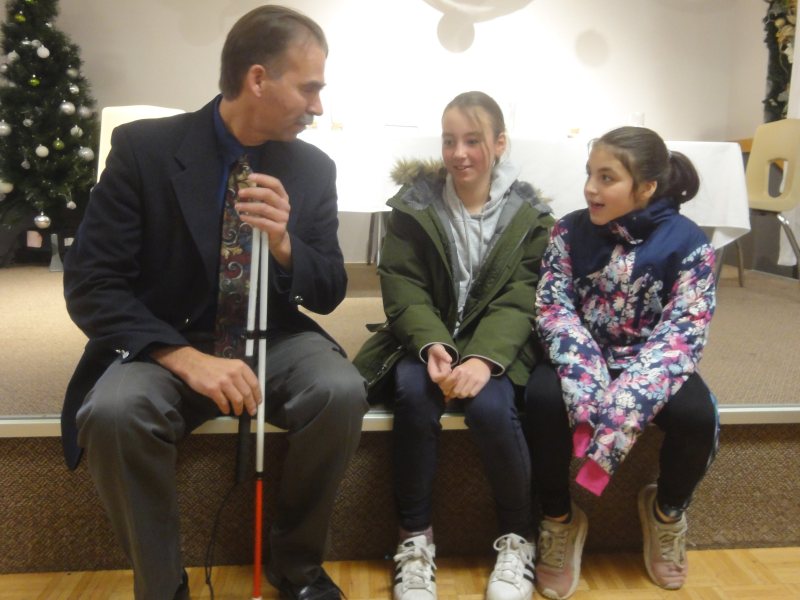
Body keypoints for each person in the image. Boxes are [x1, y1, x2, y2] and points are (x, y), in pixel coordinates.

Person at [61, 6, 368, 600]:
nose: (318, 106)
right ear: (258, 79)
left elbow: (329, 289)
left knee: (340, 390)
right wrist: (183, 356)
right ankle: (162, 587)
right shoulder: (145, 150)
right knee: (113, 413)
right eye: (310, 87)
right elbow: (92, 283)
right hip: (168, 342)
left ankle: (297, 566)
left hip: (276, 338)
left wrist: (284, 245)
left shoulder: (312, 168)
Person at [354, 91, 554, 600]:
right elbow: (402, 284)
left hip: (496, 349)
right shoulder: (413, 207)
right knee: (415, 397)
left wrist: (485, 359)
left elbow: (522, 295)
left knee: (491, 409)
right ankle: (414, 540)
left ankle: (516, 539)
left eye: (472, 140)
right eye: (449, 141)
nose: (459, 153)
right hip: (426, 342)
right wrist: (432, 345)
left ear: (499, 144)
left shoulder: (530, 218)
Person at [525, 126, 719, 599]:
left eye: (607, 177)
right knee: (541, 401)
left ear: (646, 187)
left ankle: (666, 511)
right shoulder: (568, 230)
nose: (591, 188)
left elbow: (684, 331)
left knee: (697, 415)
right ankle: (558, 519)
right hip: (581, 353)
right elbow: (552, 306)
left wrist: (629, 397)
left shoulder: (689, 242)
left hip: (652, 360)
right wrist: (585, 373)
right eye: (589, 174)